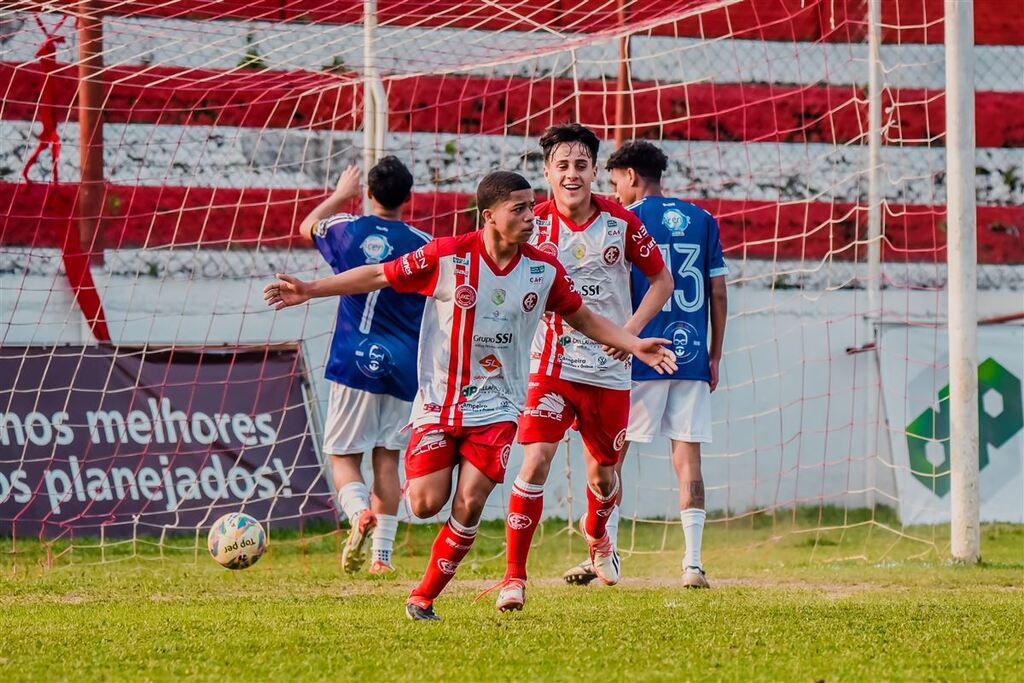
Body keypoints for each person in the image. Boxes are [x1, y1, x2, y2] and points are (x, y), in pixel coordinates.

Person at [265, 171, 678, 621]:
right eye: (518, 209)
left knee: (472, 498)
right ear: (490, 217)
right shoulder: (449, 255)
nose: (530, 217)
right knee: (423, 503)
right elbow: (377, 275)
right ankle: (438, 498)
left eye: (530, 206)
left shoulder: (542, 270)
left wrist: (633, 342)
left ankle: (423, 597)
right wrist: (309, 289)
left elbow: (583, 318)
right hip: (441, 403)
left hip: (499, 406)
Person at [493, 124, 673, 613]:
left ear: (595, 171)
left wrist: (631, 336)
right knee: (534, 462)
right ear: (547, 172)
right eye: (562, 166)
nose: (571, 175)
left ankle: (597, 533)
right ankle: (514, 579)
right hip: (551, 365)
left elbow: (661, 280)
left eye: (581, 165)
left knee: (604, 476)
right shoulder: (533, 224)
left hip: (610, 369)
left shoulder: (621, 223)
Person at [562, 139, 728, 589]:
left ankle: (602, 554)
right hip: (691, 354)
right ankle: (693, 564)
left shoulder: (624, 220)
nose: (613, 193)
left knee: (611, 453)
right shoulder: (704, 219)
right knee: (687, 457)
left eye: (615, 183)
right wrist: (714, 354)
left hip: (638, 352)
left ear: (632, 176)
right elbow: (717, 292)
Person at [298, 157, 430, 575]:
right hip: (403, 365)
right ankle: (382, 558)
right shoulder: (424, 243)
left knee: (342, 455)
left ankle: (357, 513)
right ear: (409, 198)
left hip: (353, 360)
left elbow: (306, 227)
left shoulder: (346, 229)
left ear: (369, 195)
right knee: (387, 458)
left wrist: (340, 194)